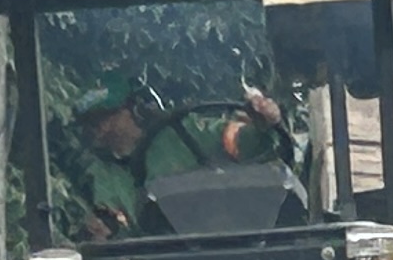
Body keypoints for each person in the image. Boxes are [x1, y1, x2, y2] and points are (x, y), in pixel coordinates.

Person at [66, 73, 290, 239]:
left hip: (243, 239)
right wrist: (104, 230)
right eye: (89, 123)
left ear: (136, 108)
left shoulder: (187, 133)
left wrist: (264, 122)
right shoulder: (104, 176)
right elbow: (118, 230)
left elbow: (246, 142)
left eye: (103, 117)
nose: (96, 128)